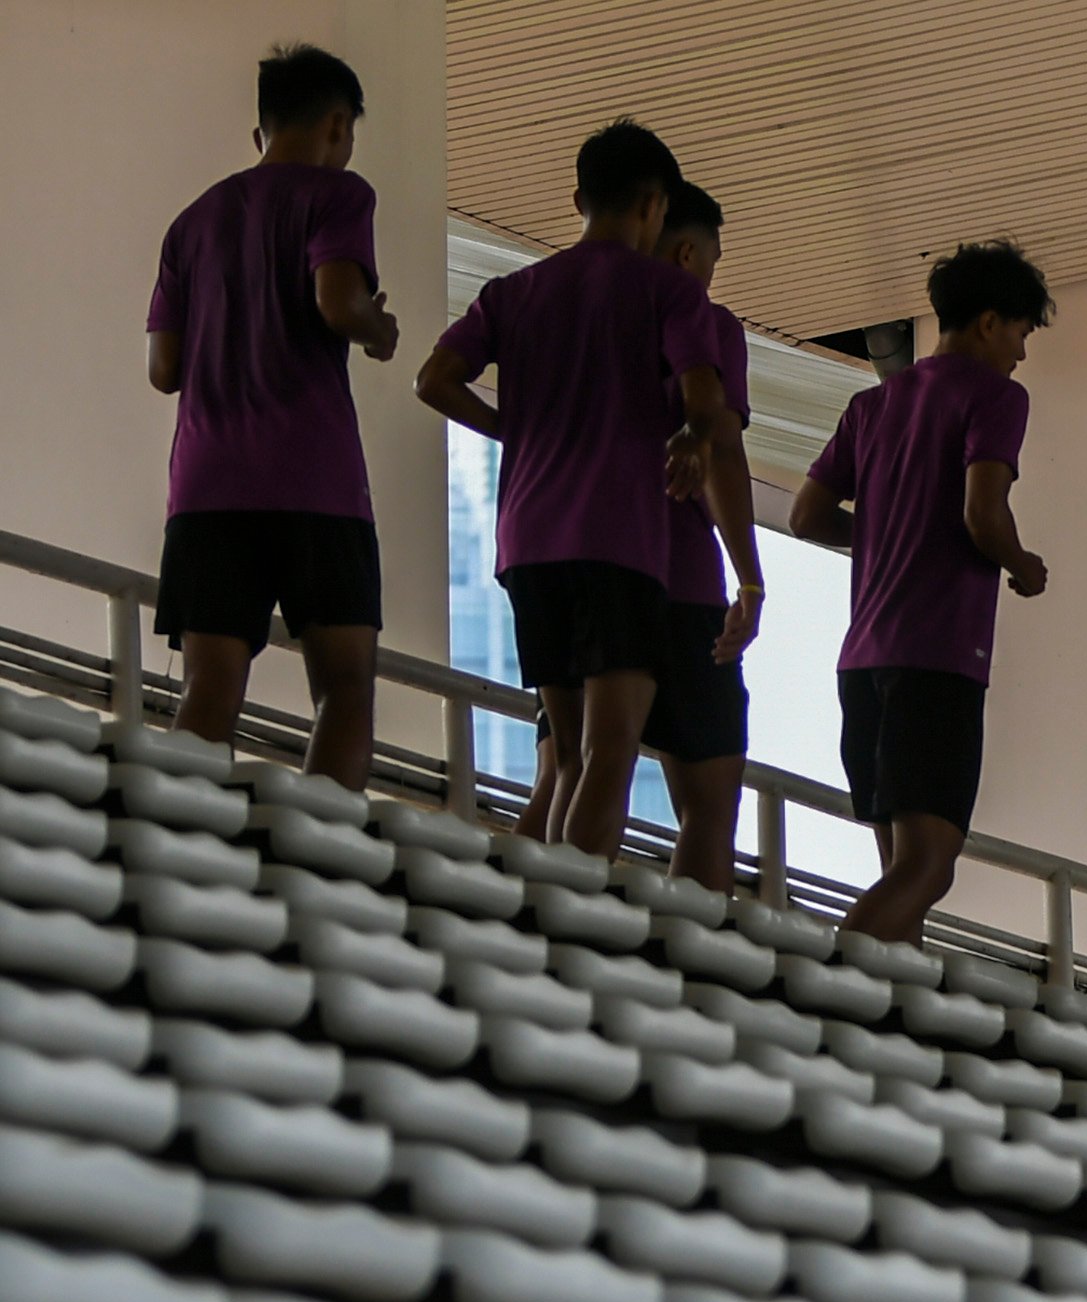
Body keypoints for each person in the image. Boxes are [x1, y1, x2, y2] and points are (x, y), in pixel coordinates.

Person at [417, 120, 751, 858]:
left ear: (579, 197)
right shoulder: (671, 292)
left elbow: (434, 380)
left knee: (564, 760)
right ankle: (568, 925)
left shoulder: (514, 291)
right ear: (656, 205)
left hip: (527, 545)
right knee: (610, 753)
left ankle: (524, 906)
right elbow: (704, 401)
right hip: (618, 545)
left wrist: (510, 428)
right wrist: (693, 439)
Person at [144, 44, 402, 788]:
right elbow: (337, 302)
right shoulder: (339, 194)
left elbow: (164, 370)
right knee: (344, 689)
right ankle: (318, 863)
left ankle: (181, 842)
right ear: (334, 123)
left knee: (209, 686)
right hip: (313, 478)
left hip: (207, 486)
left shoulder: (191, 222)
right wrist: (376, 329)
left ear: (262, 129)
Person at [789, 240, 1049, 945]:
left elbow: (806, 515)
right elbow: (983, 514)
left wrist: (881, 531)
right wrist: (1022, 564)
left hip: (862, 663)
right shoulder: (997, 397)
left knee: (898, 871)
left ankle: (883, 1026)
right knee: (930, 867)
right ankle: (828, 981)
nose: (1021, 354)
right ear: (992, 322)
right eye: (1022, 334)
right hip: (938, 658)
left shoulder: (872, 404)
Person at [644, 180, 762, 897]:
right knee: (709, 804)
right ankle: (693, 968)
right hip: (680, 581)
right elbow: (719, 450)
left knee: (570, 769)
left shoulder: (574, 310)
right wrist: (749, 579)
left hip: (577, 572)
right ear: (689, 252)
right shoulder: (706, 323)